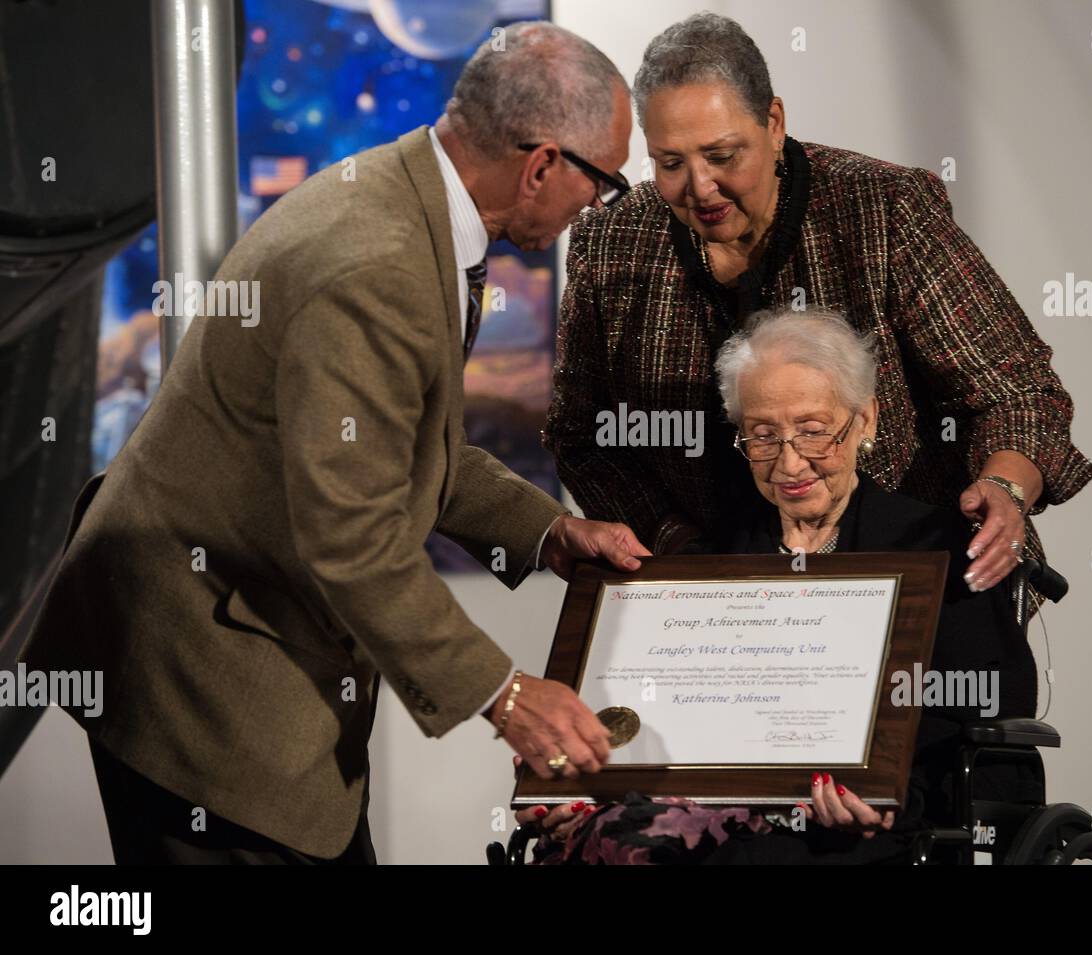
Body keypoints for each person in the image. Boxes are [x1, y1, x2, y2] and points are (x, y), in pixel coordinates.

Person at [19, 22, 648, 865]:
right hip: (200, 685)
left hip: (238, 650)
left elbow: (408, 448)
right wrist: (507, 696)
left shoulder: (409, 203)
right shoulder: (376, 263)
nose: (594, 207)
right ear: (541, 165)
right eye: (603, 182)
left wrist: (546, 532)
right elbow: (352, 536)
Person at [543, 12, 1092, 608]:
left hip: (916, 580)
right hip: (712, 602)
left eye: (723, 156)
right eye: (670, 163)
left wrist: (1005, 487)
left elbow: (1018, 392)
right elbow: (580, 434)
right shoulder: (613, 243)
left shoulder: (882, 210)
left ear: (774, 123)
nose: (699, 187)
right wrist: (673, 540)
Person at [519, 309, 1042, 865]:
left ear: (864, 420)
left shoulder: (935, 550)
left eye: (814, 431)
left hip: (878, 827)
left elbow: (985, 716)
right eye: (763, 436)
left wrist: (890, 794)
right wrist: (570, 778)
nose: (790, 463)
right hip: (719, 815)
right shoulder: (706, 564)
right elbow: (651, 709)